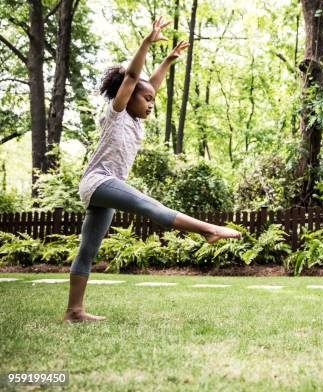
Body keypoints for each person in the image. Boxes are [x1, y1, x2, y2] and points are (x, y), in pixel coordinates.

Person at [64, 16, 242, 323]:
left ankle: (74, 311)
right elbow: (133, 77)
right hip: (99, 181)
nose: (151, 104)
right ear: (127, 95)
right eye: (146, 100)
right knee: (152, 207)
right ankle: (209, 230)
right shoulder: (117, 113)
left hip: (105, 188)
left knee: (88, 249)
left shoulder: (133, 118)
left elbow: (149, 85)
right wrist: (147, 43)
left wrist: (168, 62)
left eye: (152, 101)